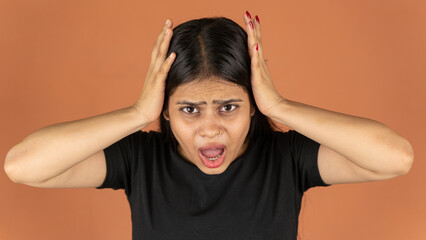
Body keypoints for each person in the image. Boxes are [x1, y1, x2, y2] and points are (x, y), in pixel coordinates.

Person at [4, 11, 414, 240]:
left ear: (252, 103)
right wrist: (135, 115)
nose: (210, 129)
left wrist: (279, 105)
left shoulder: (286, 157)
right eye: (190, 109)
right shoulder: (141, 160)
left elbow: (394, 157)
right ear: (165, 109)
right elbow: (23, 166)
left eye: (229, 106)